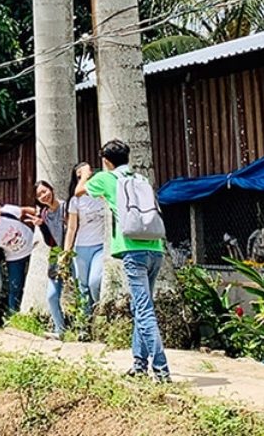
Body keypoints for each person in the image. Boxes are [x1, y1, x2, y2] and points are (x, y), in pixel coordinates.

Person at [77, 139, 171, 382]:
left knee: (144, 309)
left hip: (132, 250)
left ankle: (161, 370)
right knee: (140, 307)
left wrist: (86, 173)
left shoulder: (105, 179)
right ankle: (139, 366)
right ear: (128, 157)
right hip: (155, 248)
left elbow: (79, 191)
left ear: (106, 161)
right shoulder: (141, 180)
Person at [26, 180, 68, 338]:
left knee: (80, 290)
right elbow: (50, 241)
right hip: (55, 253)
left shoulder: (66, 207)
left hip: (72, 252)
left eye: (45, 191)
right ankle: (60, 330)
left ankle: (83, 328)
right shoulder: (44, 214)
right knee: (51, 295)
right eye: (39, 195)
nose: (44, 196)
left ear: (52, 189)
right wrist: (42, 225)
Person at [65, 163, 106, 313]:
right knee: (83, 287)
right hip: (82, 247)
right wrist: (66, 252)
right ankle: (84, 325)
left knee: (95, 282)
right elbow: (71, 228)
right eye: (80, 176)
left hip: (101, 246)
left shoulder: (103, 195)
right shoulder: (76, 200)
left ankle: (99, 313)